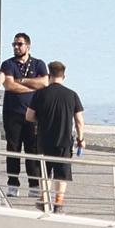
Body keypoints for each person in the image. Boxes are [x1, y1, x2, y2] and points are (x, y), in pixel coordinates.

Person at [29, 60, 84, 211]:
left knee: (44, 172)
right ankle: (58, 203)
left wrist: (40, 118)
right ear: (63, 76)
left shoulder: (39, 94)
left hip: (43, 139)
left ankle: (44, 199)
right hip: (64, 140)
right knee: (62, 173)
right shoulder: (72, 95)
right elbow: (79, 120)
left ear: (49, 75)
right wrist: (81, 139)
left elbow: (28, 116)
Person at [0, 32, 47, 198]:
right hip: (12, 113)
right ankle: (13, 184)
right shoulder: (8, 64)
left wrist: (22, 81)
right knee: (13, 148)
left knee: (32, 149)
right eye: (14, 44)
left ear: (28, 46)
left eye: (19, 44)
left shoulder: (39, 64)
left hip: (33, 114)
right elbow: (9, 85)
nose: (16, 47)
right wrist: (31, 86)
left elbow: (44, 83)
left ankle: (34, 185)